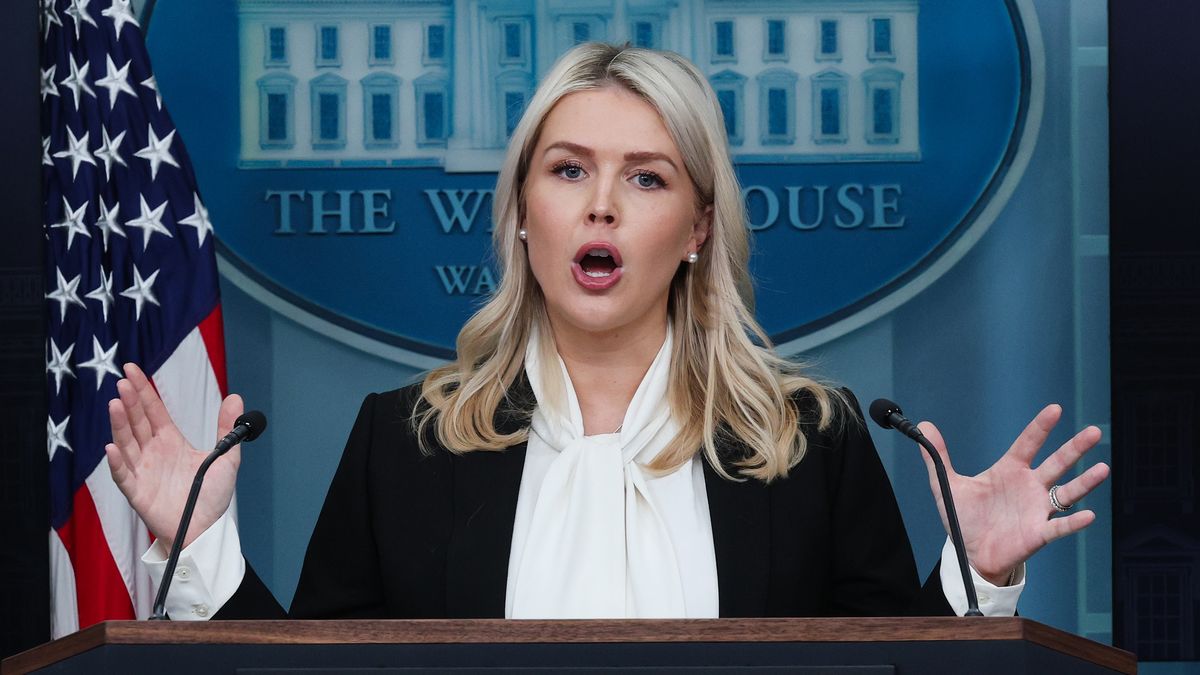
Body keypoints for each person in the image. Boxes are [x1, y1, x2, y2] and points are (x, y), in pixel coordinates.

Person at [106, 43, 1110, 621]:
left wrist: (977, 574)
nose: (602, 207)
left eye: (646, 178)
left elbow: (889, 666)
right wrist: (197, 547)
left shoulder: (814, 439)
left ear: (697, 229)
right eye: (569, 169)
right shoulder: (402, 441)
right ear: (522, 212)